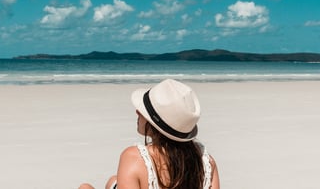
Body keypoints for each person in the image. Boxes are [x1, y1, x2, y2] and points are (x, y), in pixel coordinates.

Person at [79, 79, 220, 189]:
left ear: (154, 125)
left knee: (85, 187)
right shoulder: (207, 162)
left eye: (143, 111)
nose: (137, 112)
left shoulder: (134, 157)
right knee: (113, 180)